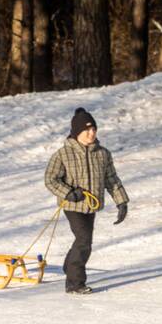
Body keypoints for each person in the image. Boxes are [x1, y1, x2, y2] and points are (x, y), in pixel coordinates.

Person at [43, 107, 129, 294]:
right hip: (73, 205)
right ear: (77, 132)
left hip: (91, 205)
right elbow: (50, 179)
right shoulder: (63, 154)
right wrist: (68, 192)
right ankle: (75, 283)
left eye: (94, 129)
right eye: (87, 130)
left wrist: (121, 202)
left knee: (83, 241)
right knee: (84, 241)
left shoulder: (103, 153)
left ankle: (69, 267)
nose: (92, 133)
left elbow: (111, 179)